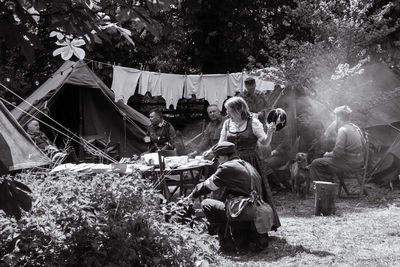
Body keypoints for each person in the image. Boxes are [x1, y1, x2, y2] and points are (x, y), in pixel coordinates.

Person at [187, 142, 278, 252]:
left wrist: (192, 196)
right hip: (259, 208)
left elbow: (207, 185)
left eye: (217, 157)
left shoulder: (227, 167)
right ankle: (242, 237)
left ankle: (226, 244)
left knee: (206, 204)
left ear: (224, 156)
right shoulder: (246, 164)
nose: (217, 161)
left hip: (246, 210)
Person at [204, 96, 280, 227]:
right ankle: (229, 223)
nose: (227, 114)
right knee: (227, 191)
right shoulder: (227, 123)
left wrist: (270, 132)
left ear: (239, 109)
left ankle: (257, 225)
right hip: (232, 163)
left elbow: (265, 142)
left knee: (253, 193)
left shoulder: (253, 122)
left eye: (229, 111)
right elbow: (221, 143)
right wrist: (211, 151)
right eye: (226, 111)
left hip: (250, 162)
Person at [310, 105, 365, 182]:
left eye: (335, 117)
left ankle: (324, 189)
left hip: (348, 163)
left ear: (339, 118)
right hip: (358, 162)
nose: (335, 119)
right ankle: (329, 182)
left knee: (316, 163)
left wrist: (327, 154)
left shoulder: (343, 130)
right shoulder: (356, 128)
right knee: (327, 161)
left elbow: (338, 153)